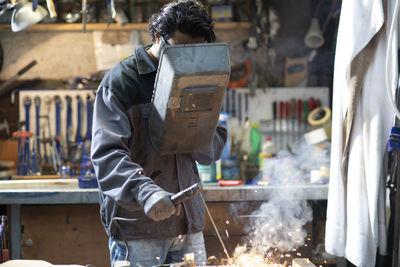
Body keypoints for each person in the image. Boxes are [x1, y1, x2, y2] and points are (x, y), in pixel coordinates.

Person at [90, 0, 228, 266]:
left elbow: (212, 148)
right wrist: (147, 193)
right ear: (157, 36)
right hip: (140, 228)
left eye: (195, 51)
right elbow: (106, 155)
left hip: (187, 224)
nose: (187, 59)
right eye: (179, 50)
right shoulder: (122, 82)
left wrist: (198, 128)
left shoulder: (199, 75)